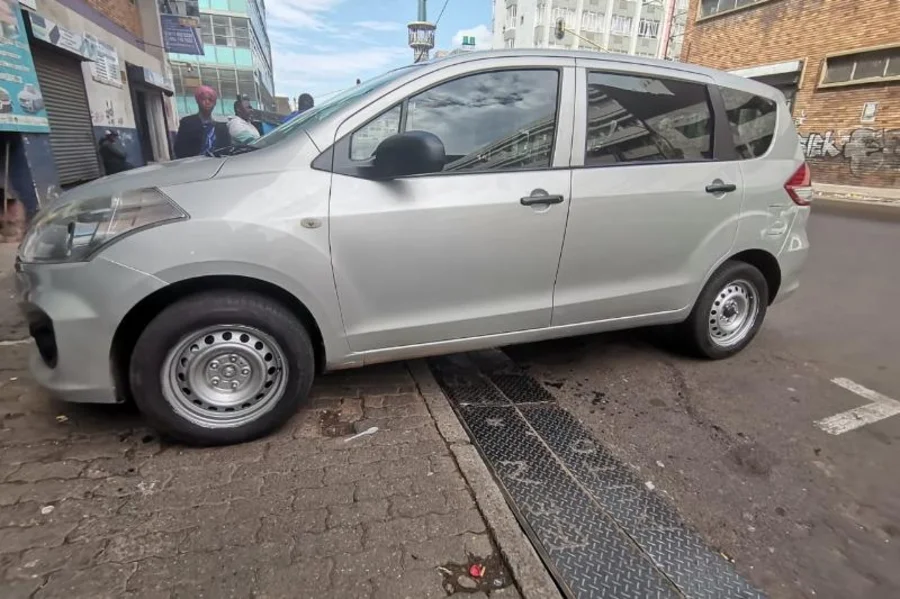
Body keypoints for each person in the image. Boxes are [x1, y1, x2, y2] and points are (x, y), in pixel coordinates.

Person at [173, 85, 230, 158]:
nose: (207, 102)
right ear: (197, 101)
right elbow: (179, 149)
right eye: (203, 99)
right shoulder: (187, 123)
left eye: (210, 100)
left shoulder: (222, 128)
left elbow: (227, 151)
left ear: (215, 103)